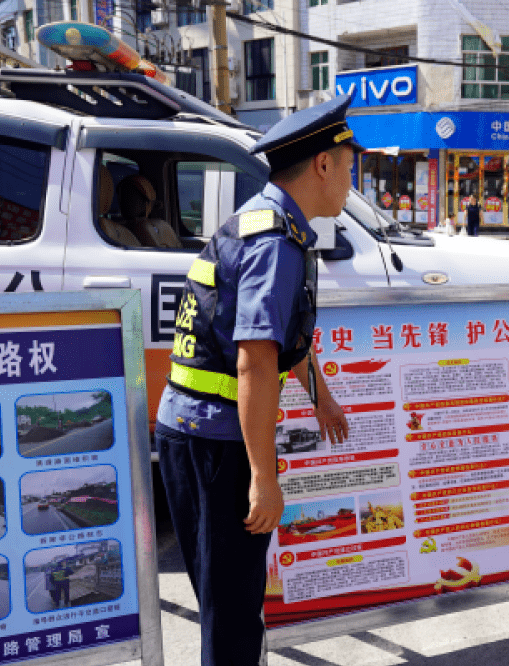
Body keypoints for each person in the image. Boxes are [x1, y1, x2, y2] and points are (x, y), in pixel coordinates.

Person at [155, 95, 356, 666]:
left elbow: (281, 336)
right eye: (347, 165)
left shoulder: (265, 220)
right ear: (322, 164)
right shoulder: (275, 243)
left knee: (229, 601)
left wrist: (322, 397)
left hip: (194, 432)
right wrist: (264, 479)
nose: (349, 179)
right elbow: (255, 361)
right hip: (216, 447)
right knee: (234, 613)